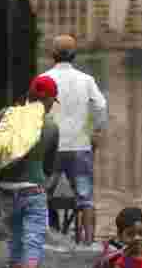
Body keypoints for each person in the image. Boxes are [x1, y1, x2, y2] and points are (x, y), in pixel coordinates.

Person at [0, 75, 60, 268]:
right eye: (52, 102)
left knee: (15, 244)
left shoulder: (4, 116)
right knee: (33, 244)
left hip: (6, 191)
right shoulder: (49, 127)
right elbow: (49, 168)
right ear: (47, 100)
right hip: (33, 191)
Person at [42, 34, 108, 246]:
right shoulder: (86, 80)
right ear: (74, 56)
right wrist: (96, 131)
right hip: (80, 145)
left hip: (51, 147)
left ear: (52, 55)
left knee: (42, 195)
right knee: (85, 197)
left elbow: (32, 110)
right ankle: (88, 244)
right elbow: (100, 106)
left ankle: (45, 240)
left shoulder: (44, 79)